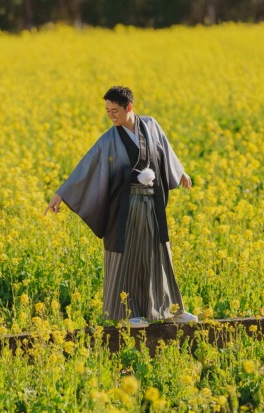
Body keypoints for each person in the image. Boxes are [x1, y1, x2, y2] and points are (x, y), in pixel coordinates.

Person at [45, 86, 197, 327]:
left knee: (159, 253)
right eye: (107, 111)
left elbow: (165, 151)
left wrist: (180, 172)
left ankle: (170, 309)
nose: (111, 116)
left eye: (115, 110)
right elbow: (88, 166)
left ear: (129, 108)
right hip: (124, 208)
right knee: (125, 255)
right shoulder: (109, 139)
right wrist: (61, 194)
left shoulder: (151, 125)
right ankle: (125, 313)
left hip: (151, 202)